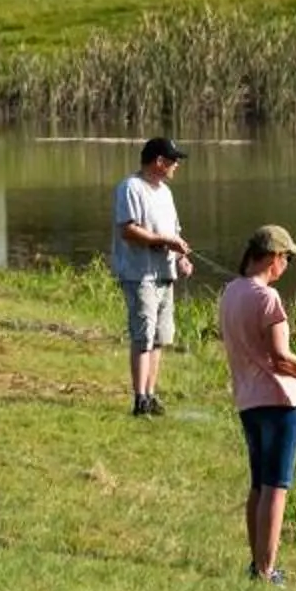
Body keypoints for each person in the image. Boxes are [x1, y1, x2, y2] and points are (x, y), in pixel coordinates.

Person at [219, 224, 296, 587]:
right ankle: (267, 572)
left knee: (259, 484)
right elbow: (280, 357)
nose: (287, 265)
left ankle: (257, 565)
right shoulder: (267, 299)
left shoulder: (230, 292)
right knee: (277, 486)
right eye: (287, 258)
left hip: (248, 401)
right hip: (279, 402)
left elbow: (259, 354)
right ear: (273, 257)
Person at [111, 137, 194, 416]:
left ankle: (151, 394)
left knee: (159, 337)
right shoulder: (130, 188)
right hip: (140, 275)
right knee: (143, 336)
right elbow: (128, 230)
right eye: (173, 161)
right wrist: (166, 242)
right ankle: (139, 399)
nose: (176, 166)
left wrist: (181, 257)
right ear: (159, 161)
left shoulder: (166, 193)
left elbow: (175, 233)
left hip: (164, 275)